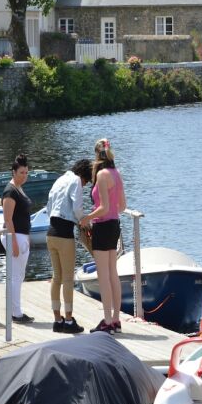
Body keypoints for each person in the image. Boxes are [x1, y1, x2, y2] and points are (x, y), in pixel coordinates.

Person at [82, 138, 126, 333]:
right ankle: (116, 319)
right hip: (115, 225)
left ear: (96, 155)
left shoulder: (101, 175)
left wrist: (87, 217)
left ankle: (107, 320)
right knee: (113, 274)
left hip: (102, 227)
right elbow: (122, 206)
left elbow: (103, 207)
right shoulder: (117, 174)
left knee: (103, 276)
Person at [45, 159, 93, 334]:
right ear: (83, 176)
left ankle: (57, 320)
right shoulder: (75, 181)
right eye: (86, 181)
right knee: (67, 279)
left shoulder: (60, 180)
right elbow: (77, 207)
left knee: (56, 277)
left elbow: (48, 206)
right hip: (65, 234)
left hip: (50, 233)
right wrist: (84, 221)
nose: (85, 184)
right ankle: (69, 320)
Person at [0, 153, 33, 322]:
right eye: (21, 172)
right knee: (16, 276)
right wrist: (13, 242)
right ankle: (15, 313)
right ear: (13, 172)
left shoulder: (19, 188)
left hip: (21, 236)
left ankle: (16, 310)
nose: (24, 176)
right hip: (14, 236)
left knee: (19, 275)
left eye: (26, 172)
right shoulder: (10, 191)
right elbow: (8, 219)